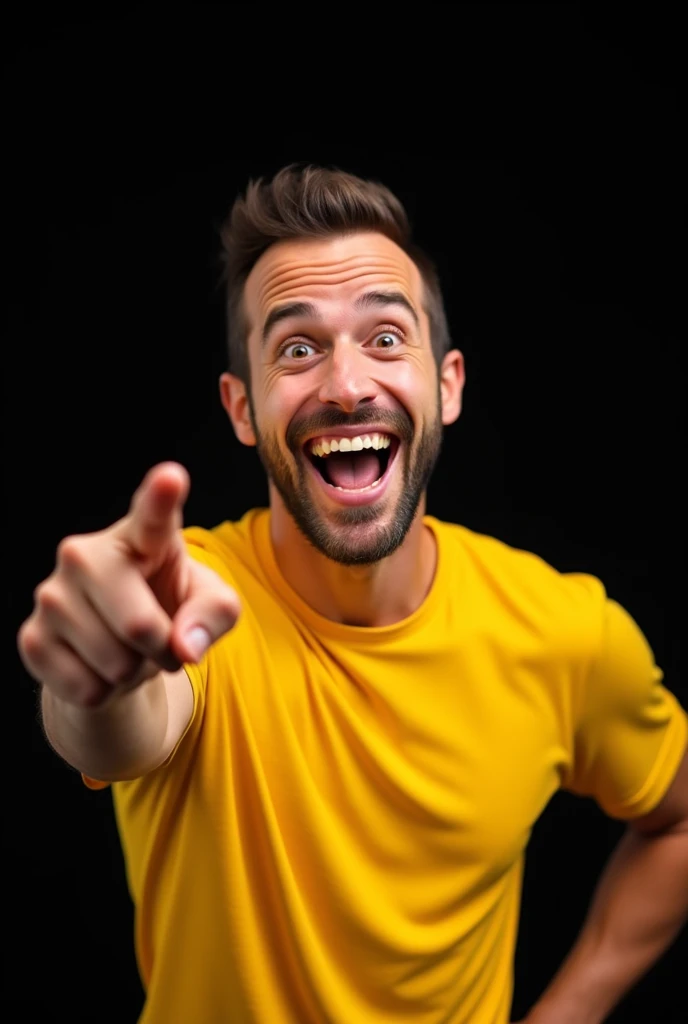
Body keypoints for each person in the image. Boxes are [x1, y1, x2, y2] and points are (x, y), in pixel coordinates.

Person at [18, 165, 688, 1024]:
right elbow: (120, 729)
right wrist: (93, 681)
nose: (345, 385)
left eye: (384, 338)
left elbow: (674, 821)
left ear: (446, 387)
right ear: (242, 408)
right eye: (296, 349)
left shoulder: (564, 633)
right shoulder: (190, 601)